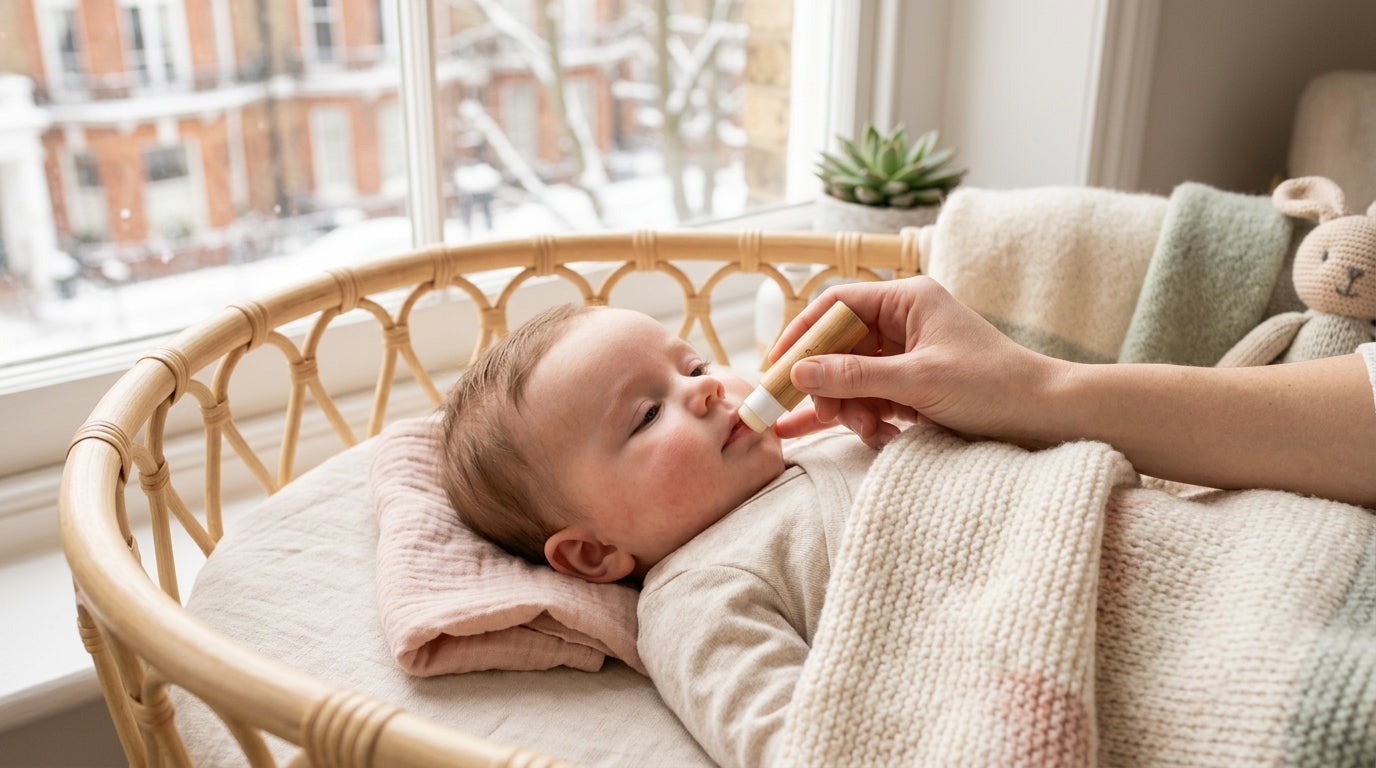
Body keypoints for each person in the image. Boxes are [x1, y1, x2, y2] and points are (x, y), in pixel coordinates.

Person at [771, 275, 1376, 509]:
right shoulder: (701, 583)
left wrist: (1035, 392)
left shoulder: (830, 442)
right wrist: (1039, 395)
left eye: (697, 369)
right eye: (667, 409)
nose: (708, 392)